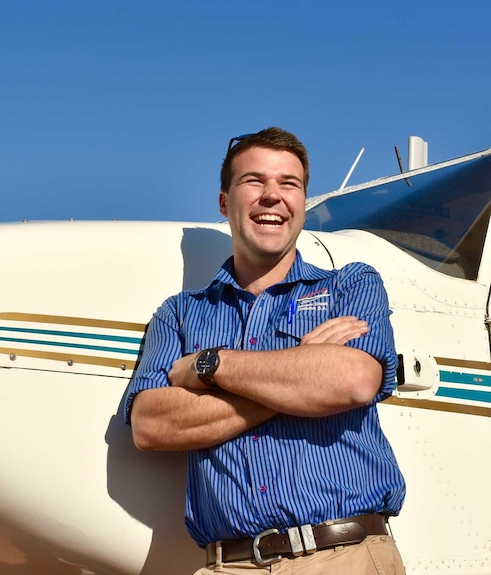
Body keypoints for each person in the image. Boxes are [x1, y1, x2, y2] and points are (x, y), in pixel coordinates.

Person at [124, 127, 406, 574]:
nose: (272, 195)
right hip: (226, 565)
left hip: (343, 555)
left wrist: (210, 365)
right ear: (224, 203)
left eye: (288, 184)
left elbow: (352, 381)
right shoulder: (177, 315)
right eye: (253, 181)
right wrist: (301, 376)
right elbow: (150, 425)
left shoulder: (351, 284)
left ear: (302, 203)